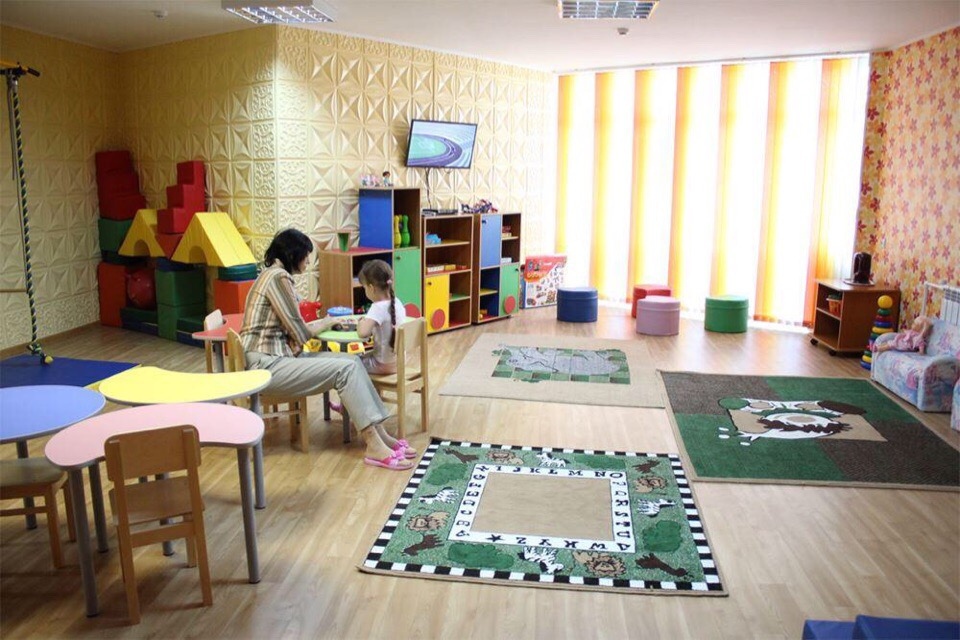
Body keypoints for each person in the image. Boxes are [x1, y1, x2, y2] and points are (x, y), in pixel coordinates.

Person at [240, 229, 416, 470]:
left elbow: (294, 329)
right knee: (346, 369)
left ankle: (381, 435)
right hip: (267, 366)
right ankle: (374, 443)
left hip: (274, 359)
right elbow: (300, 333)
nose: (307, 261)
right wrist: (326, 322)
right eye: (306, 256)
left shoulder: (271, 275)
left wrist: (325, 322)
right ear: (293, 255)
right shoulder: (278, 278)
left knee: (352, 360)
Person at [356, 259, 407, 375]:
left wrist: (361, 323)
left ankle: (367, 388)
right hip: (399, 363)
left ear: (371, 288)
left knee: (351, 364)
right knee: (363, 357)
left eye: (364, 288)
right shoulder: (397, 302)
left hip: (382, 365)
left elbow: (362, 333)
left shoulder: (377, 307)